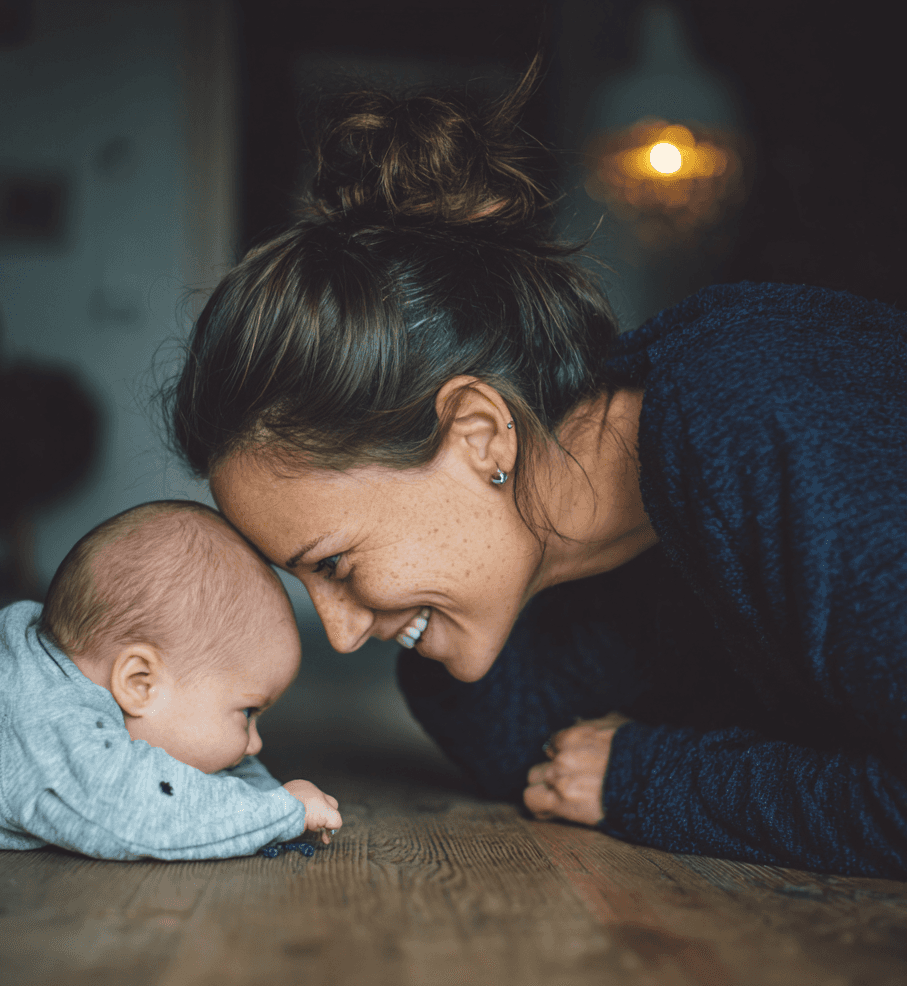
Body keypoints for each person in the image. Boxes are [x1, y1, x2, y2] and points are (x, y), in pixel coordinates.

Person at [169, 69, 906, 879]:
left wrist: (650, 777)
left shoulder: (752, 408)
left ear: (482, 436)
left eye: (335, 564)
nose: (341, 635)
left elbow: (635, 774)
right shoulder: (479, 684)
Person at [0, 500, 342, 858]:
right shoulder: (45, 718)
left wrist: (261, 791)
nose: (255, 744)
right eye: (247, 713)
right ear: (140, 683)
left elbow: (191, 766)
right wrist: (280, 810)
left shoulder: (42, 665)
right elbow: (134, 808)